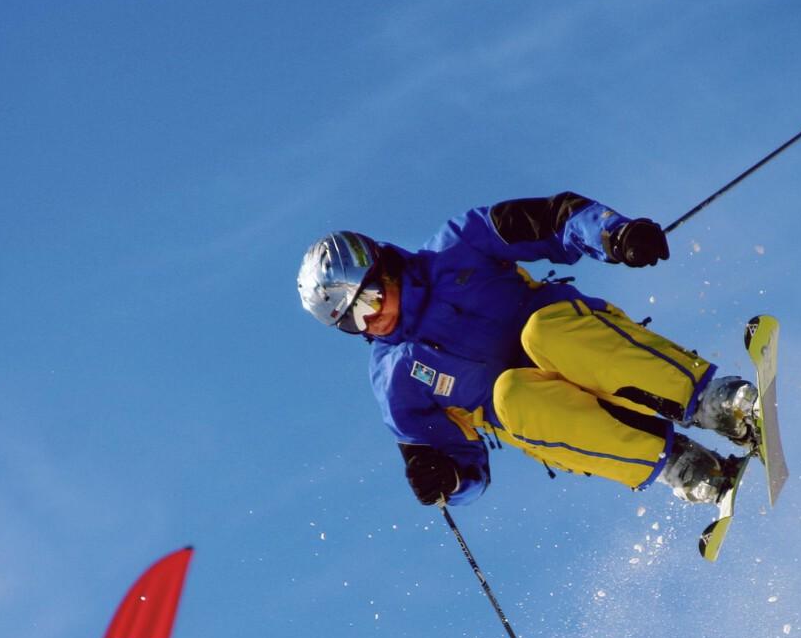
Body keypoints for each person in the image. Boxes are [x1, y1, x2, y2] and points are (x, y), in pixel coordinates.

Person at [297, 192, 760, 509]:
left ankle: (713, 403)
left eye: (369, 299)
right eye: (352, 322)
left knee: (541, 332)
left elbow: (554, 219)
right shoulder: (397, 382)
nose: (371, 320)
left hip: (586, 346)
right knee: (509, 395)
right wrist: (444, 478)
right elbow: (464, 468)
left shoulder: (457, 247)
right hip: (547, 416)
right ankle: (684, 466)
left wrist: (614, 235)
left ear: (383, 267)